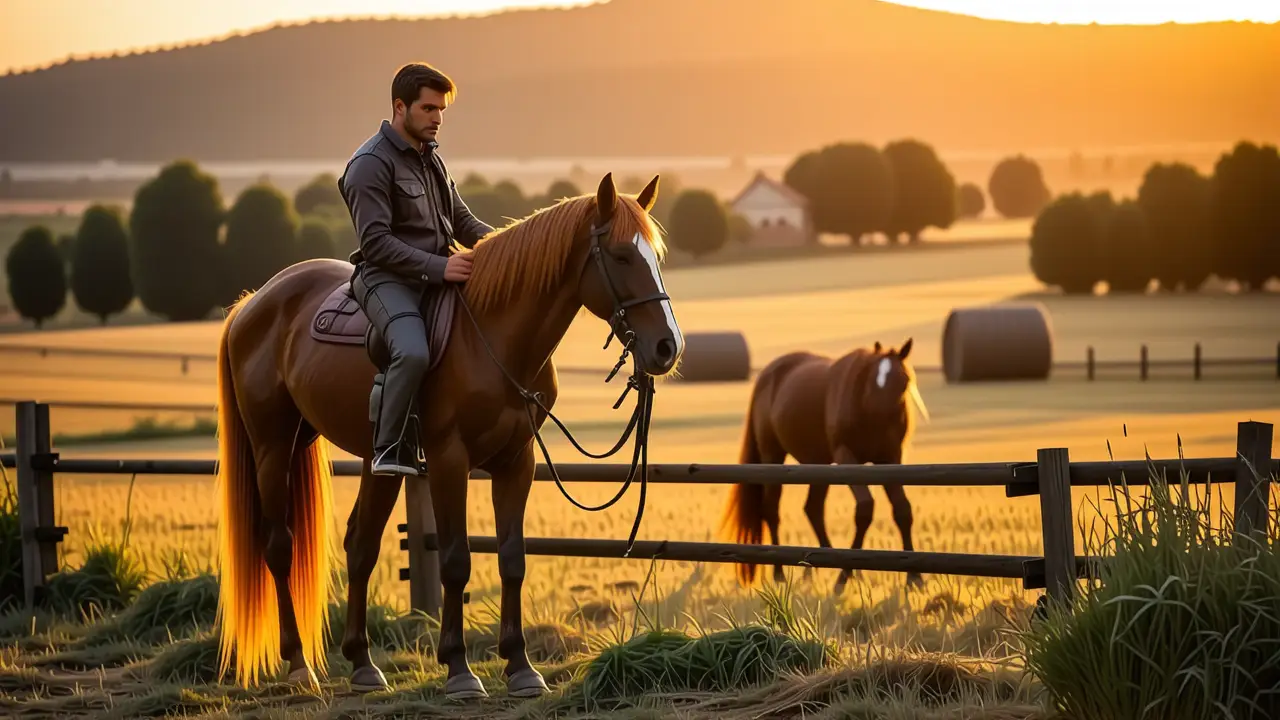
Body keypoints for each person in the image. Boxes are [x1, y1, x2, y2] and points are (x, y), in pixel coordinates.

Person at [338, 62, 494, 477]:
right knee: (412, 351)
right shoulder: (369, 163)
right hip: (386, 279)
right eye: (428, 109)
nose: (437, 119)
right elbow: (375, 243)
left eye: (441, 110)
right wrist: (441, 267)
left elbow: (463, 222)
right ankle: (390, 446)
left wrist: (508, 250)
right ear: (400, 107)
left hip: (437, 273)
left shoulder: (432, 160)